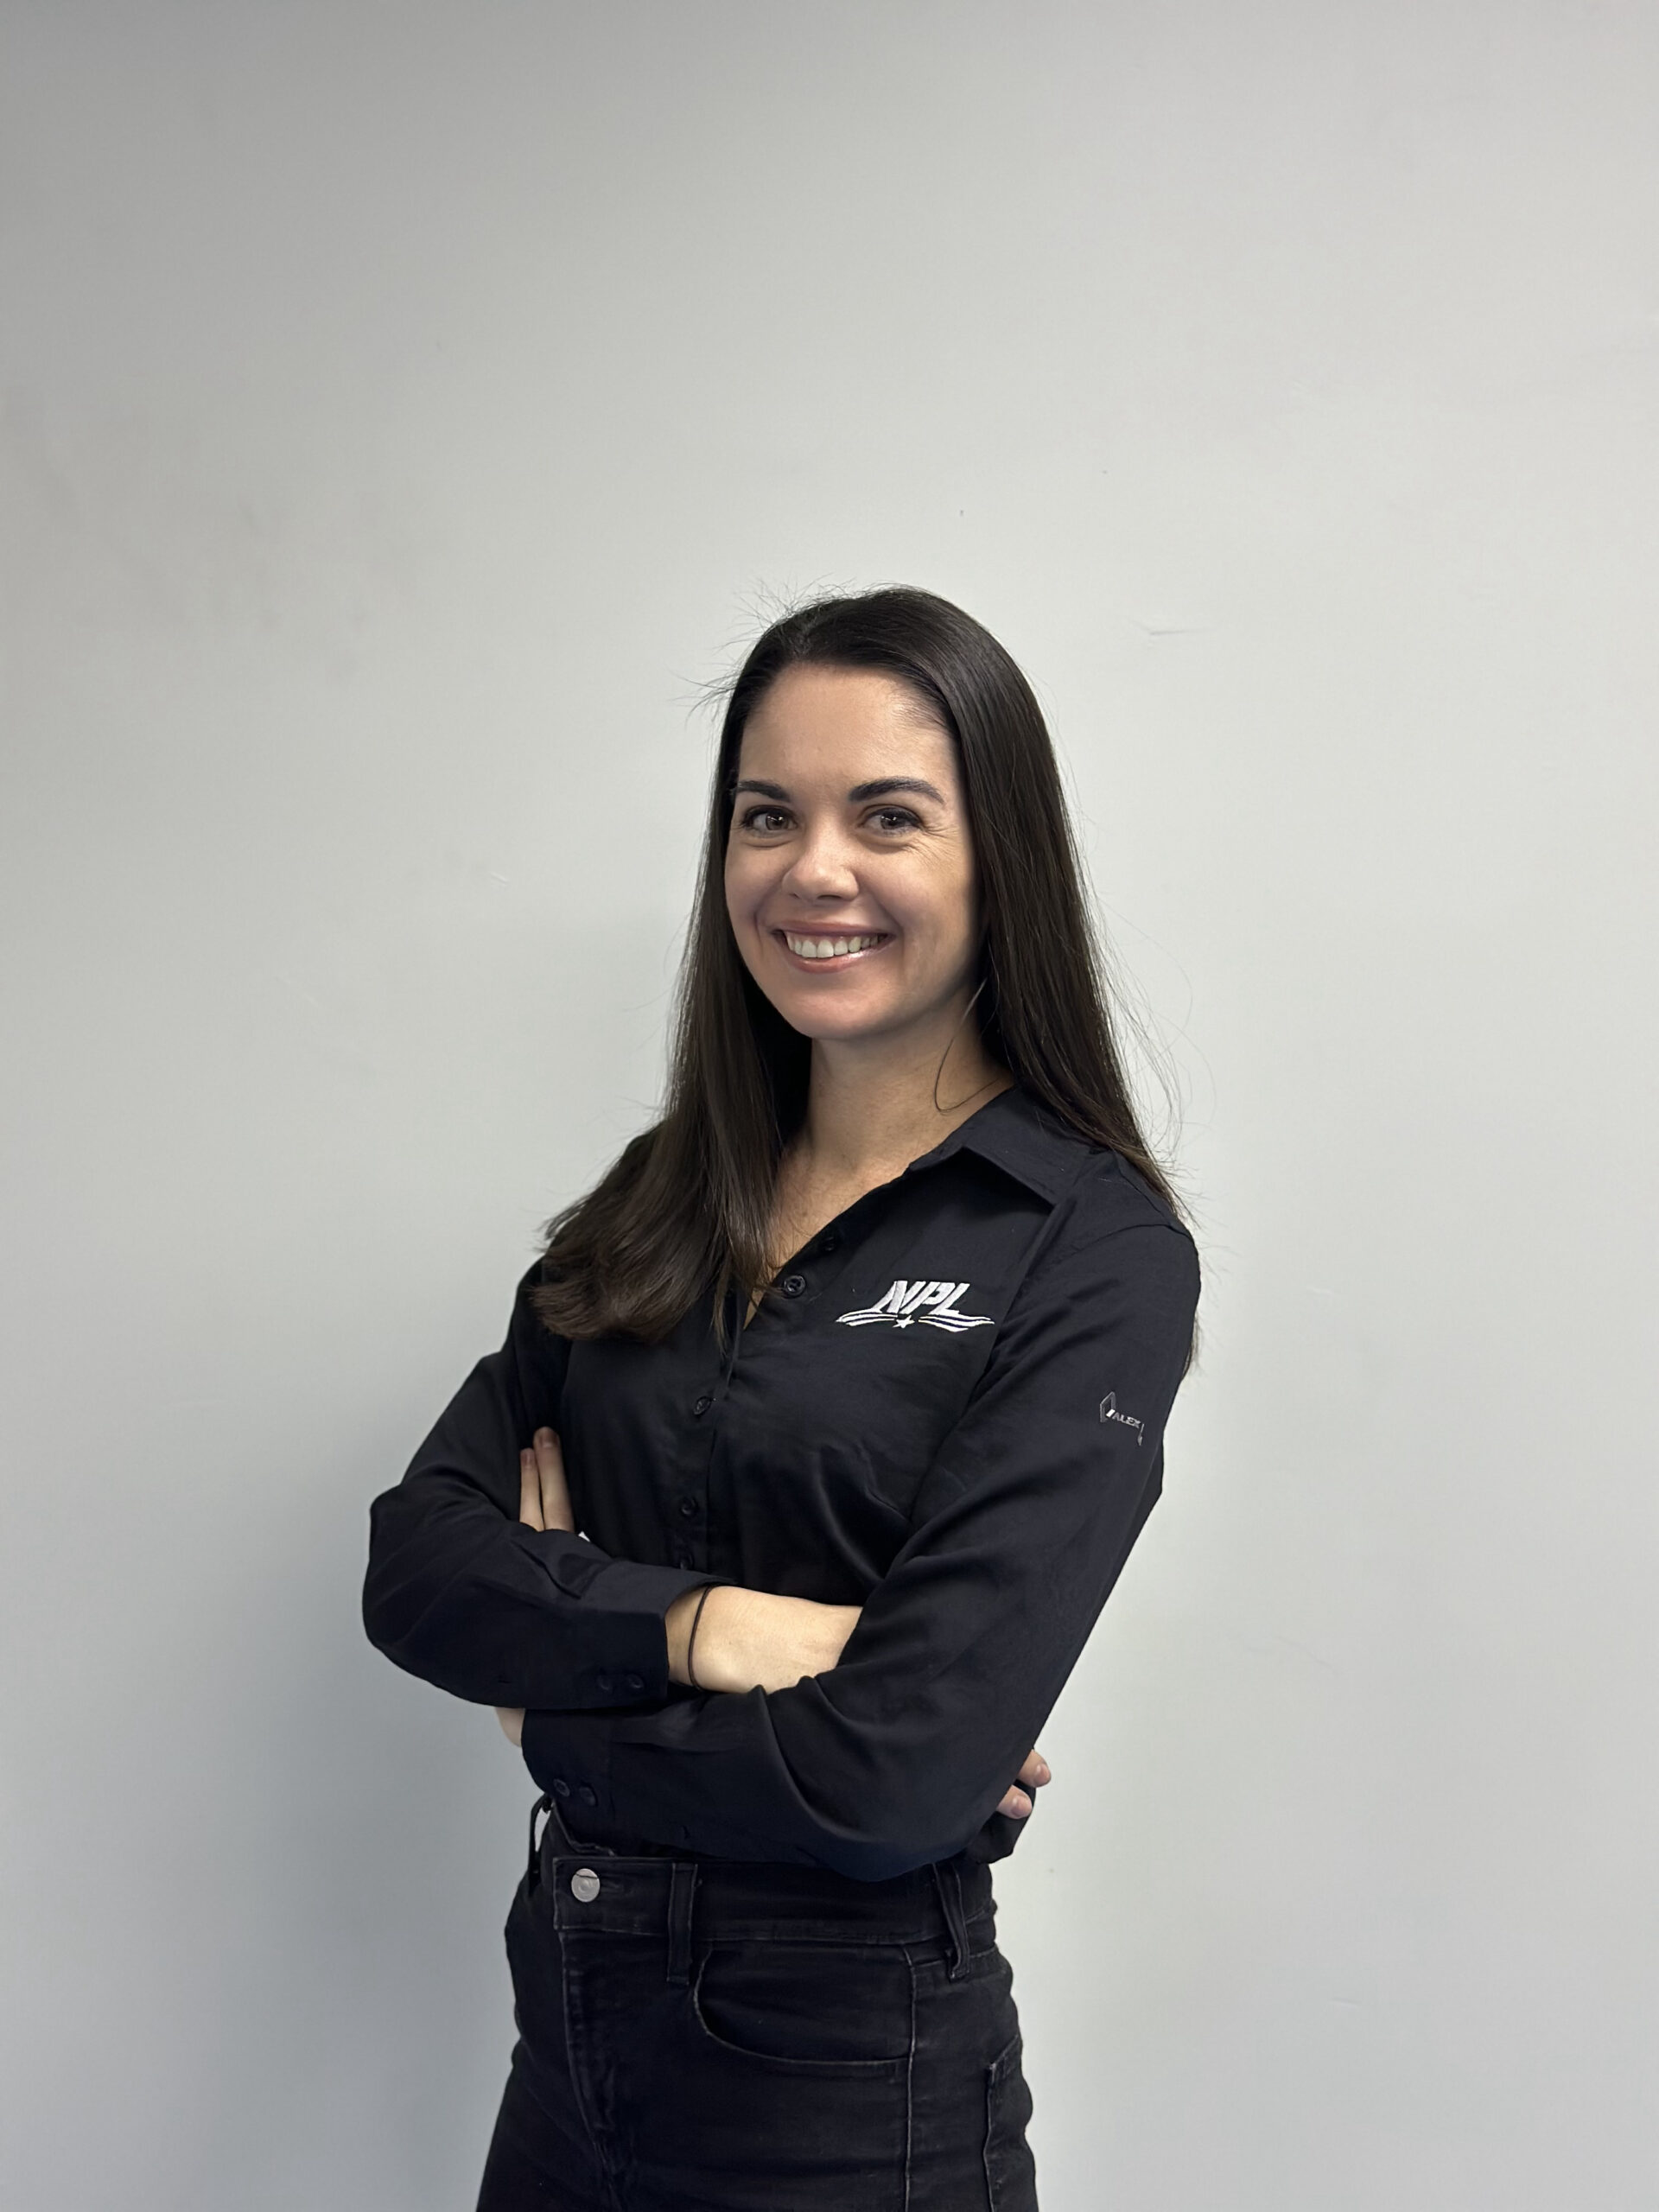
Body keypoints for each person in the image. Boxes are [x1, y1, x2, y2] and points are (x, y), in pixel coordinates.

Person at [361, 585, 1203, 2210]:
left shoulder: (1090, 1250)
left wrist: (554, 1701)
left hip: (848, 2102)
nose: (814, 869)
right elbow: (418, 1566)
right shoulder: (661, 1197)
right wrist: (707, 1629)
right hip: (567, 2064)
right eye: (768, 815)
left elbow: (895, 1777)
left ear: (999, 858)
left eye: (888, 816)